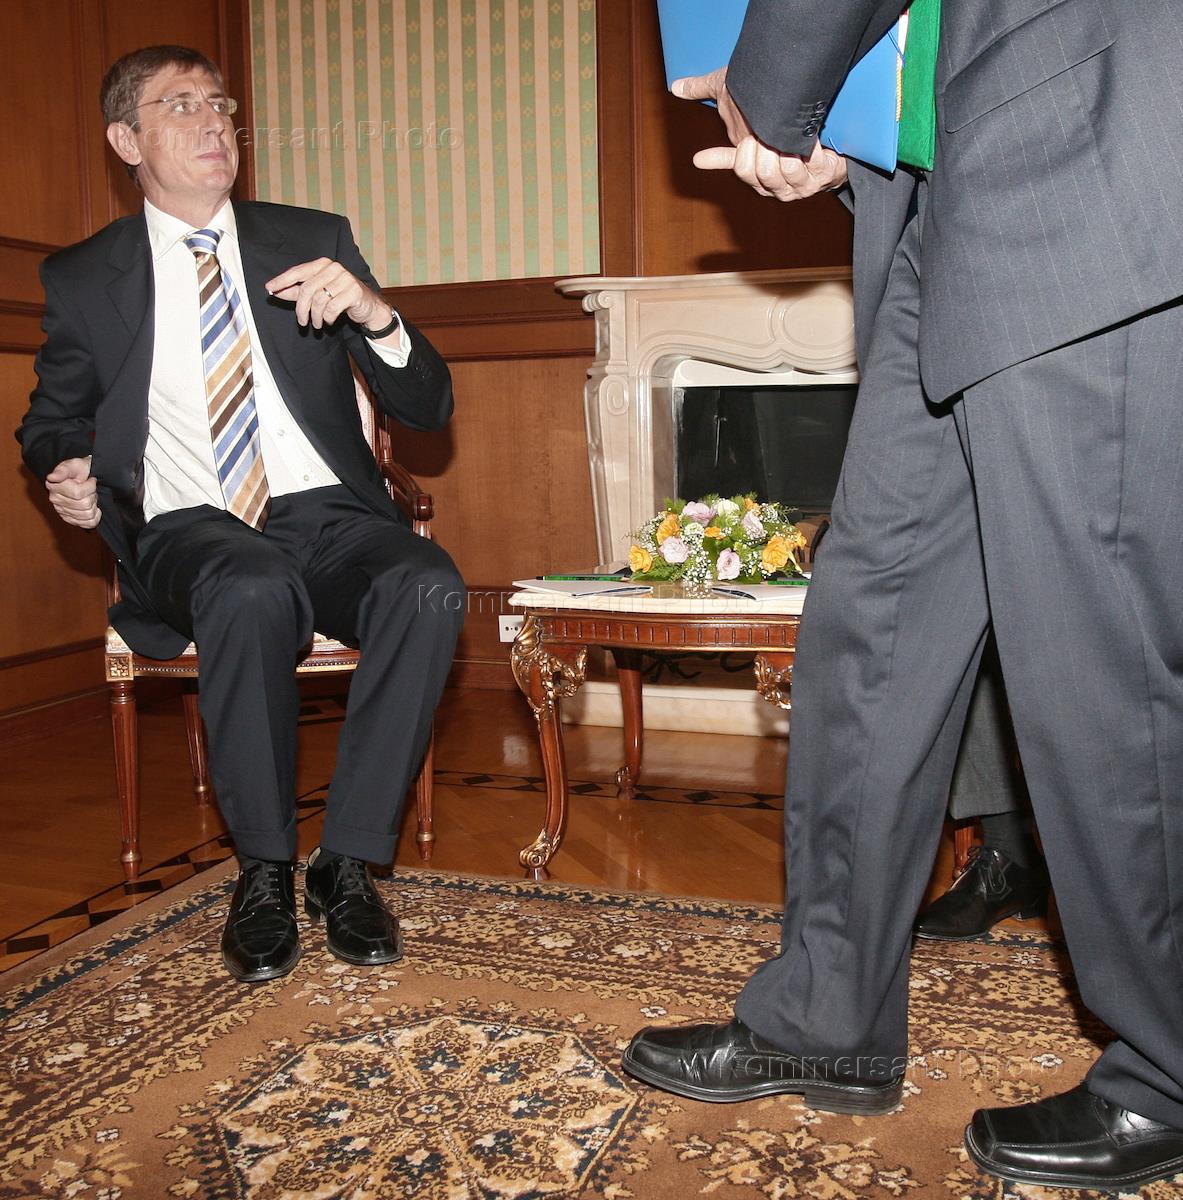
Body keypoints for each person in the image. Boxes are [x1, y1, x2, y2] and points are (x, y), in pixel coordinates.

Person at [624, 2, 1183, 1191]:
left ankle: (1171, 1063)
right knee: (869, 621)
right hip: (948, 189)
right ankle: (823, 1017)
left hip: (1079, 153)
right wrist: (847, 137)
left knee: (1095, 644)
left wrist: (771, 97)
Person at [17, 45, 464, 986]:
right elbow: (51, 418)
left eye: (219, 104)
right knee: (251, 585)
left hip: (326, 511)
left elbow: (427, 407)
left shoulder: (309, 238)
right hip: (189, 522)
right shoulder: (84, 277)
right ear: (126, 141)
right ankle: (262, 869)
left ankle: (347, 862)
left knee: (426, 585)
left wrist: (376, 315)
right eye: (180, 106)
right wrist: (64, 465)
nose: (214, 121)